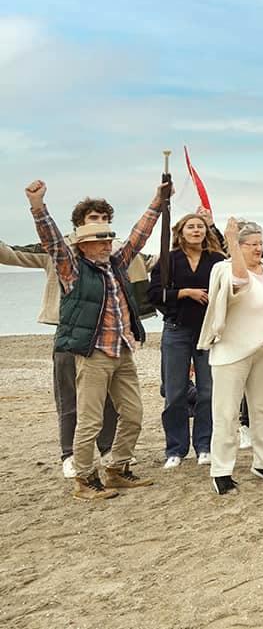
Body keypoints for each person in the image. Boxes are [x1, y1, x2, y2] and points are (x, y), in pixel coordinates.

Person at [26, 178, 167, 499]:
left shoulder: (117, 264)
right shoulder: (72, 269)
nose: (106, 244)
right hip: (93, 355)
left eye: (108, 238)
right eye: (99, 240)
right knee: (89, 422)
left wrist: (157, 202)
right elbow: (52, 241)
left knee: (133, 415)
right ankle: (84, 479)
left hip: (123, 351)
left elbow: (139, 235)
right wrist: (38, 206)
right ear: (82, 245)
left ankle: (116, 469)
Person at [3, 201, 123, 478]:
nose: (99, 222)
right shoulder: (56, 249)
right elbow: (11, 254)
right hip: (69, 332)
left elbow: (149, 262)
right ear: (79, 222)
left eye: (104, 217)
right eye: (93, 217)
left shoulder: (115, 249)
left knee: (107, 397)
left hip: (106, 333)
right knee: (68, 396)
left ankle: (107, 449)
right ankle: (69, 455)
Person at [198, 219, 263, 494]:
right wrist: (231, 241)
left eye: (261, 243)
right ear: (238, 246)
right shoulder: (224, 268)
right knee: (226, 413)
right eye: (252, 244)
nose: (259, 249)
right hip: (233, 350)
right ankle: (222, 471)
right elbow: (239, 283)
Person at [148, 212, 225, 470]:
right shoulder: (169, 260)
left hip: (208, 332)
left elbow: (229, 288)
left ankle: (204, 446)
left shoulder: (216, 260)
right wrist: (184, 293)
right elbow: (153, 294)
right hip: (176, 330)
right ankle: (175, 449)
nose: (196, 230)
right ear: (180, 232)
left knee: (208, 392)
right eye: (190, 227)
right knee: (175, 392)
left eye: (200, 227)